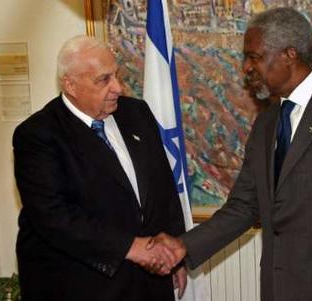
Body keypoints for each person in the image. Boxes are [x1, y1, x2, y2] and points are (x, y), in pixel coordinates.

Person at [151, 7, 312, 301]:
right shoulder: (267, 122)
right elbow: (244, 205)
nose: (246, 68)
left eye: (254, 57)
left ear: (289, 55)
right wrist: (183, 246)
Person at [13, 35, 187, 300]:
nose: (117, 87)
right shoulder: (38, 135)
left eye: (116, 75)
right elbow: (54, 217)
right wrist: (131, 247)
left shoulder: (137, 113)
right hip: (81, 284)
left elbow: (164, 189)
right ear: (70, 85)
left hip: (148, 282)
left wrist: (175, 252)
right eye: (103, 80)